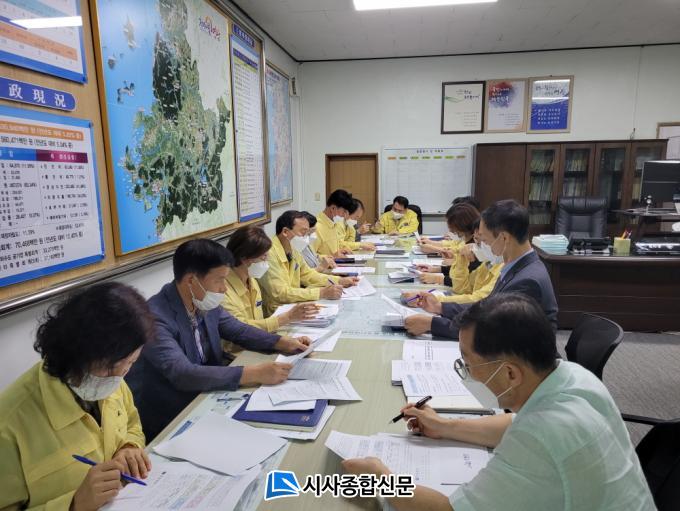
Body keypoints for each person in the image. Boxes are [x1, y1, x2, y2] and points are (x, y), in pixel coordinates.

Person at [342, 293, 655, 511]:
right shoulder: (574, 377)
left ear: (510, 373)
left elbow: (448, 510)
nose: (466, 374)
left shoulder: (540, 437)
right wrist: (445, 426)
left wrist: (381, 479)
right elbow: (513, 424)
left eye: (468, 364)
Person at [126, 239, 312, 441]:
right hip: (172, 414)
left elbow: (238, 330)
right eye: (220, 280)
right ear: (191, 280)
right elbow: (182, 373)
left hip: (211, 394)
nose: (224, 288)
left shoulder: (202, 301)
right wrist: (253, 373)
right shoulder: (154, 317)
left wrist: (281, 342)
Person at [0, 283, 155, 511]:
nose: (121, 374)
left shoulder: (113, 380)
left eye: (130, 362)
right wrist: (74, 504)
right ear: (75, 354)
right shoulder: (9, 425)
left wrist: (129, 447)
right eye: (110, 367)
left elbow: (132, 423)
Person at [404, 199, 558, 338]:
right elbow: (486, 307)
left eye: (484, 240)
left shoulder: (527, 281)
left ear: (504, 238)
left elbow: (491, 329)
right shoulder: (517, 267)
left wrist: (432, 324)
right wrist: (440, 307)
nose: (479, 246)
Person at [259, 210, 358, 316]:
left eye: (308, 233)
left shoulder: (293, 248)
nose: (306, 237)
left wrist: (339, 280)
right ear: (285, 232)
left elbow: (308, 275)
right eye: (303, 232)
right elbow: (281, 293)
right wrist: (322, 292)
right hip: (277, 312)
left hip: (294, 304)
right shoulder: (269, 254)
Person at [223, 225, 319, 332]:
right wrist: (287, 318)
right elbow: (240, 329)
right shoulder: (223, 290)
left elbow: (259, 323)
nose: (267, 260)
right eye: (263, 257)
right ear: (244, 258)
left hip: (261, 337)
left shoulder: (251, 280)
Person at [411, 203, 481, 286]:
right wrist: (436, 269)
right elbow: (458, 269)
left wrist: (438, 279)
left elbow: (466, 280)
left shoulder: (474, 247)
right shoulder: (467, 240)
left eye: (452, 226)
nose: (450, 230)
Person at [312, 189, 355, 257]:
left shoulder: (334, 224)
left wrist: (340, 251)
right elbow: (309, 258)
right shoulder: (316, 228)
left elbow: (333, 249)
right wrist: (333, 256)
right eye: (344, 212)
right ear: (333, 208)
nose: (344, 216)